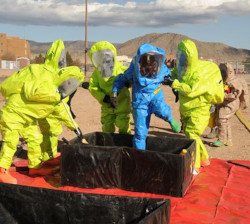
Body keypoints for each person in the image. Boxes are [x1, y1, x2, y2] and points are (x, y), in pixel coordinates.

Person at [0, 57, 84, 184]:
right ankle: (2, 170)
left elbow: (63, 112)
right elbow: (32, 92)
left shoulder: (57, 97)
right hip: (13, 113)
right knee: (11, 141)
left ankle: (35, 168)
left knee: (35, 138)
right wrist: (54, 95)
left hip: (27, 117)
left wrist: (76, 128)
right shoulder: (46, 84)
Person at [164, 39, 224, 172]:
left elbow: (191, 90)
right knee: (190, 135)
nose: (182, 58)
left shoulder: (198, 73)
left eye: (184, 56)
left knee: (192, 134)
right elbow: (173, 75)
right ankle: (204, 158)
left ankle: (194, 166)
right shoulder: (182, 69)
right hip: (187, 109)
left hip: (199, 109)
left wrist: (175, 83)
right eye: (180, 56)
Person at [112, 43, 181, 150]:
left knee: (163, 111)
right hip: (140, 102)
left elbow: (170, 77)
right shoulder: (135, 67)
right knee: (140, 132)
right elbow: (122, 78)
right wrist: (114, 92)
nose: (149, 70)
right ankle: (140, 156)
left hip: (156, 97)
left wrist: (175, 88)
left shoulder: (161, 67)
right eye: (146, 66)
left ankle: (170, 119)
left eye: (151, 66)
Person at [88, 41, 131, 134]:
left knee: (123, 124)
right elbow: (93, 87)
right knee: (107, 126)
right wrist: (105, 98)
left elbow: (131, 77)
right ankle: (109, 146)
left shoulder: (121, 69)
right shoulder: (97, 73)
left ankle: (126, 145)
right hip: (107, 105)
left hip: (122, 104)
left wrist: (128, 82)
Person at [213, 62, 249, 147]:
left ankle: (221, 139)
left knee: (221, 119)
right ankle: (228, 141)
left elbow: (234, 95)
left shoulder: (234, 83)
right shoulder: (223, 82)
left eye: (223, 72)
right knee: (225, 121)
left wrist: (223, 95)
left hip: (231, 104)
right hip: (225, 103)